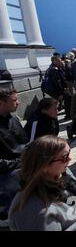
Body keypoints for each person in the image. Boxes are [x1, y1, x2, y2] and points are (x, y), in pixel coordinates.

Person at [0, 89, 26, 226]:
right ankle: (8, 213)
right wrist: (19, 163)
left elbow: (24, 143)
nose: (18, 102)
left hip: (21, 163)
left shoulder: (14, 119)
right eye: (14, 100)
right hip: (6, 171)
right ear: (1, 103)